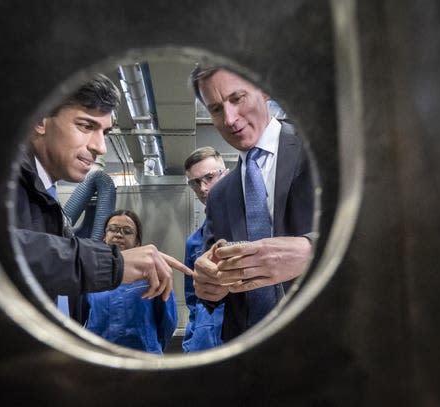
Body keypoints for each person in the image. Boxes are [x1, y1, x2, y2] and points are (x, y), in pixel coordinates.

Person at [13, 73, 191, 323]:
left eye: (105, 132)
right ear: (40, 120)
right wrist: (112, 264)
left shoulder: (45, 196)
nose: (100, 147)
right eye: (86, 126)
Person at [190, 66, 315, 341]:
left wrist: (311, 252)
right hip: (248, 351)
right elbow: (213, 265)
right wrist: (207, 283)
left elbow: (377, 228)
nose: (230, 119)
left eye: (237, 99)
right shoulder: (220, 194)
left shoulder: (318, 151)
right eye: (216, 109)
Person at [85, 210, 178, 354]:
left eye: (127, 231)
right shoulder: (91, 274)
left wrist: (152, 347)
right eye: (112, 229)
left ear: (137, 242)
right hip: (99, 357)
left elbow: (168, 322)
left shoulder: (153, 274)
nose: (118, 234)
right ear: (104, 236)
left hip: (144, 359)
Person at [181, 147, 228, 352]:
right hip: (203, 344)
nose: (203, 188)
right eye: (195, 182)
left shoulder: (252, 226)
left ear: (225, 175)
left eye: (209, 177)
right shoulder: (193, 242)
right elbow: (193, 301)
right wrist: (191, 342)